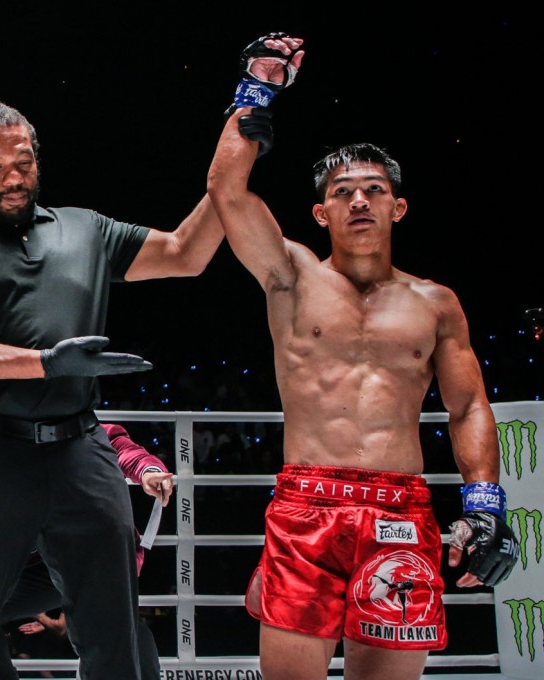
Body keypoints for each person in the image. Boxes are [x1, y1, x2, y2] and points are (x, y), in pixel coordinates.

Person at [206, 33, 519, 680]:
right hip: (305, 505)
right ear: (320, 213)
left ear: (398, 207)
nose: (359, 201)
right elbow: (227, 194)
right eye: (344, 192)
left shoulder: (435, 303)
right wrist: (255, 91)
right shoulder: (290, 277)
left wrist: (484, 502)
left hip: (400, 509)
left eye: (374, 191)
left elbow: (467, 407)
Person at [0, 101, 231, 679]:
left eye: (23, 162)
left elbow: (186, 253)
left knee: (114, 629)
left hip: (82, 447)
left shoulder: (85, 227)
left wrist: (235, 159)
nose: (14, 176)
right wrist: (42, 362)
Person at [0, 423, 172, 680]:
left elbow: (127, 452)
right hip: (39, 563)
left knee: (117, 625)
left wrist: (149, 471)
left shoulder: (89, 428)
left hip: (93, 555)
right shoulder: (7, 437)